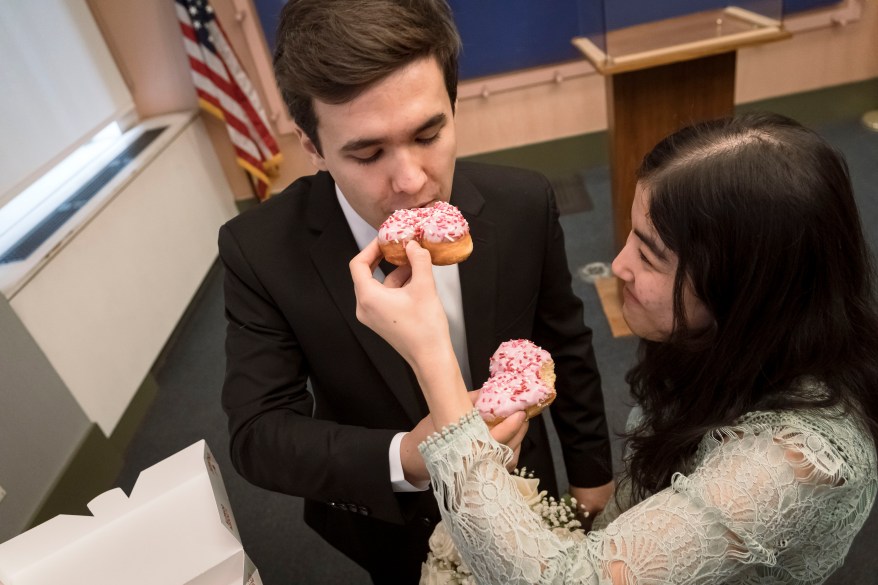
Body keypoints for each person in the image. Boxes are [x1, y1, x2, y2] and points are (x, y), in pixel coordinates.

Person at [350, 112, 878, 584]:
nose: (618, 264)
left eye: (650, 257)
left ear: (744, 293)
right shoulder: (714, 343)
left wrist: (431, 356)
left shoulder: (797, 464)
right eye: (631, 232)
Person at [218, 0, 614, 581]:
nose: (410, 182)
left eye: (429, 133)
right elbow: (259, 434)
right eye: (367, 152)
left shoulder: (524, 202)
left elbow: (566, 345)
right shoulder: (260, 249)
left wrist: (590, 473)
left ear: (454, 107)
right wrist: (409, 455)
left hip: (525, 487)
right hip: (393, 525)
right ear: (311, 144)